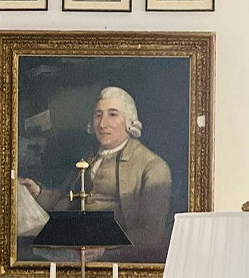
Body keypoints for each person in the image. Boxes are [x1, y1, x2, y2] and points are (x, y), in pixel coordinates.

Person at [20, 87, 172, 261]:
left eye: (112, 114)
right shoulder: (88, 160)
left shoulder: (153, 167)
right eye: (98, 115)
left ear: (129, 121)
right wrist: (37, 192)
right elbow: (65, 200)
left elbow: (151, 235)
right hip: (72, 243)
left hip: (114, 257)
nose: (102, 124)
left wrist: (105, 249)